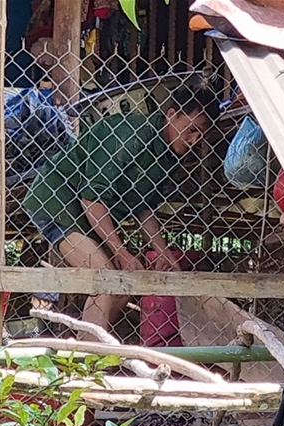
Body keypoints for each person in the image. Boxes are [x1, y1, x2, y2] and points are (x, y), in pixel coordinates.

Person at [22, 77, 218, 327]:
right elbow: (91, 197)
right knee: (107, 279)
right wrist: (121, 252)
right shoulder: (131, 134)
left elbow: (143, 207)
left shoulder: (168, 156)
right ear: (172, 114)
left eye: (202, 134)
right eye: (192, 129)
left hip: (86, 212)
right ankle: (93, 358)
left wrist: (164, 252)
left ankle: (92, 347)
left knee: (123, 286)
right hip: (56, 200)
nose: (195, 140)